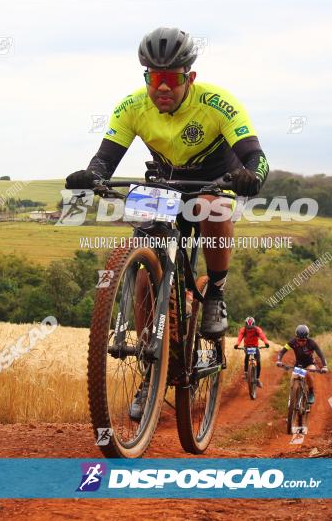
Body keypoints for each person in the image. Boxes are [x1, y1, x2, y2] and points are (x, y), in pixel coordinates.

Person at [66, 27, 270, 420]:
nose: (161, 87)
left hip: (212, 182)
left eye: (170, 79)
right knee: (145, 275)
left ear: (188, 78)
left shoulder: (218, 103)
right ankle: (151, 375)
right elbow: (105, 159)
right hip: (164, 185)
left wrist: (252, 176)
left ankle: (215, 295)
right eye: (152, 77)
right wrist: (91, 174)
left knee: (213, 206)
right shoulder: (131, 106)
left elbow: (255, 157)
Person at [276, 324, 328, 404]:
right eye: (299, 340)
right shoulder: (292, 342)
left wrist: (324, 366)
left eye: (303, 340)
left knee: (307, 374)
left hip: (310, 364)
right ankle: (292, 399)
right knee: (293, 380)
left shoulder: (312, 343)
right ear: (296, 337)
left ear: (307, 338)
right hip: (298, 365)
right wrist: (279, 360)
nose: (301, 342)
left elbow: (321, 354)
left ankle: (311, 393)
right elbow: (282, 351)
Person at [233, 316, 270, 387]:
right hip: (247, 347)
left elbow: (262, 336)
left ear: (254, 325)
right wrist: (237, 344)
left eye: (251, 327)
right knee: (247, 357)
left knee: (258, 361)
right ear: (245, 325)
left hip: (255, 347)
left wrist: (266, 342)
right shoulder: (243, 330)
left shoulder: (257, 329)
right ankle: (246, 373)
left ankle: (258, 379)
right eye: (248, 326)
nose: (249, 328)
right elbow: (240, 337)